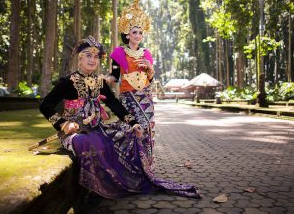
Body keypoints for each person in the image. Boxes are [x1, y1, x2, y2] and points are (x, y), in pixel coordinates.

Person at [40, 36, 200, 199]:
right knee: (86, 142)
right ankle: (96, 188)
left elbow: (115, 105)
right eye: (88, 55)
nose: (93, 60)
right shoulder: (67, 82)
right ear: (80, 58)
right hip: (74, 134)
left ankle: (118, 180)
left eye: (96, 57)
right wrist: (63, 124)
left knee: (129, 132)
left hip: (97, 129)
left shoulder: (99, 83)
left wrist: (133, 123)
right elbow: (44, 105)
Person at [106, 0, 155, 162]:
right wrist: (105, 79)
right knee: (132, 128)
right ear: (127, 34)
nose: (138, 35)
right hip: (128, 97)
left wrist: (150, 67)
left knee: (148, 127)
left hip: (146, 97)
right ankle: (130, 164)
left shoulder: (147, 53)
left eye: (140, 32)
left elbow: (151, 78)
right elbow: (115, 76)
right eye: (134, 32)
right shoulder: (119, 53)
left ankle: (147, 163)